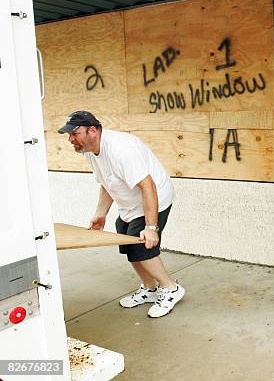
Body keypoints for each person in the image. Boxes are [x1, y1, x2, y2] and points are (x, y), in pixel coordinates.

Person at [58, 110, 185, 318]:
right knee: (126, 241)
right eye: (69, 134)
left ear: (92, 130)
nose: (70, 139)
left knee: (142, 245)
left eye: (74, 133)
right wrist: (100, 214)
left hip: (155, 197)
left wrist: (151, 228)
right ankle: (150, 288)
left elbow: (148, 186)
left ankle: (171, 288)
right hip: (130, 204)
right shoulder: (90, 150)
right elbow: (107, 183)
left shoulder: (120, 149)